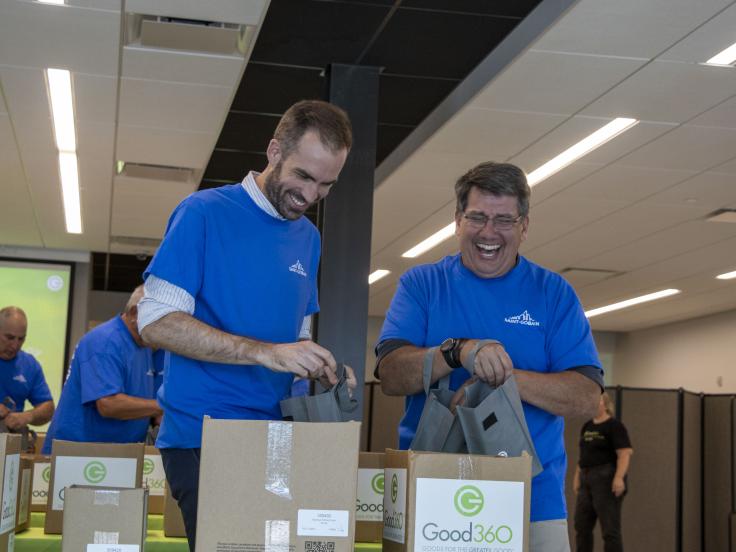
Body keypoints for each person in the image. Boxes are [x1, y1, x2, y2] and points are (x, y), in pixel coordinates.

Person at [137, 99, 355, 551]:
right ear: (274, 151)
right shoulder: (202, 213)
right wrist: (265, 352)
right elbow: (156, 322)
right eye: (304, 176)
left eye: (326, 185)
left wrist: (314, 362)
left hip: (274, 436)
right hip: (204, 432)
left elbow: (295, 335)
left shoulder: (307, 238)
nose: (311, 196)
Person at [375, 161, 603, 552]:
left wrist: (504, 378)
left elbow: (586, 397)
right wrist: (458, 352)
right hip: (433, 492)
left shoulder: (554, 293)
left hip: (535, 502)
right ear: (457, 221)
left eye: (503, 220)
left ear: (524, 226)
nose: (488, 232)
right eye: (477, 217)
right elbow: (391, 375)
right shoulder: (422, 285)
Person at [42, 286, 162, 454]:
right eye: (158, 321)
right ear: (135, 313)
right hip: (78, 456)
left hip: (115, 456)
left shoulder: (144, 346)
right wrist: (162, 406)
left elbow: (144, 403)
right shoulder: (105, 342)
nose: (163, 329)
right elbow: (109, 404)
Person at [573, 392, 633, 552]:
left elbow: (624, 453)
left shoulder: (614, 426)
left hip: (605, 479)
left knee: (610, 531)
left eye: (596, 400)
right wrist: (577, 478)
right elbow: (583, 456)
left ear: (605, 405)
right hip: (586, 479)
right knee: (581, 527)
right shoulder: (587, 426)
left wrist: (619, 477)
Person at [0, 306, 55, 432]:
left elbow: (48, 408)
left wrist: (28, 416)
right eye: (9, 337)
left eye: (21, 339)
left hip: (11, 445)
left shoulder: (30, 365)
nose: (15, 345)